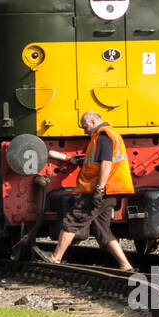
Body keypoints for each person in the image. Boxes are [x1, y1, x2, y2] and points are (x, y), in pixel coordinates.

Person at [48, 111, 134, 270]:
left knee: (72, 220)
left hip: (103, 190)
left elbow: (106, 164)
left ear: (93, 122)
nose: (85, 130)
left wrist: (99, 190)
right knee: (103, 230)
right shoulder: (108, 135)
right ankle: (125, 264)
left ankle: (55, 257)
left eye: (85, 126)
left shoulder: (102, 137)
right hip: (111, 190)